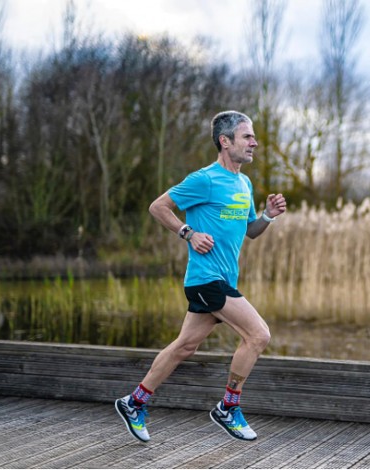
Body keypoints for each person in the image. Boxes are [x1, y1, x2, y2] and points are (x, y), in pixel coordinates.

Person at [115, 110, 286, 443]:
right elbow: (158, 206)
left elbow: (250, 231)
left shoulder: (244, 182)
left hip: (223, 279)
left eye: (253, 137)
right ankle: (228, 407)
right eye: (246, 136)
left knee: (185, 347)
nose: (254, 142)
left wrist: (268, 215)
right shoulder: (204, 179)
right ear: (225, 141)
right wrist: (188, 232)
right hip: (206, 279)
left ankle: (134, 402)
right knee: (258, 335)